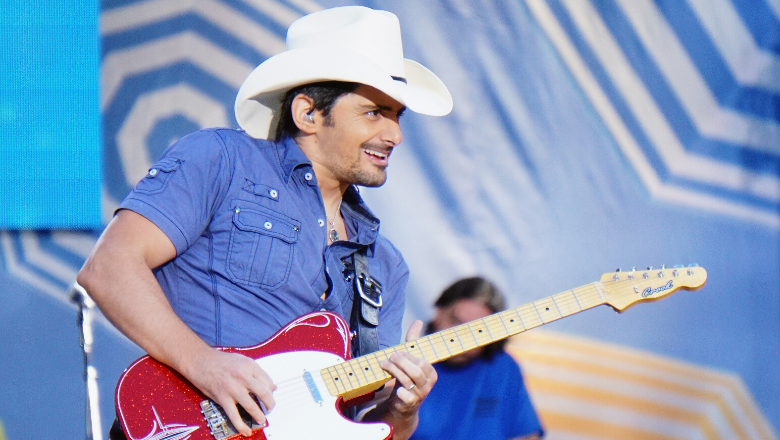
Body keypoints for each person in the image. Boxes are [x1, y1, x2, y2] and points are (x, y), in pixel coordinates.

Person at [77, 6, 453, 440]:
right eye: (374, 112)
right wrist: (204, 365)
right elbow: (108, 268)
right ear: (308, 113)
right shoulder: (220, 159)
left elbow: (363, 425)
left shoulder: (385, 263)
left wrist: (401, 412)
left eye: (397, 116)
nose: (394, 135)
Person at [410, 277, 544, 440]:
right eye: (457, 322)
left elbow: (528, 435)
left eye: (478, 331)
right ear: (439, 312)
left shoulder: (504, 368)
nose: (462, 338)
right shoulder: (409, 364)